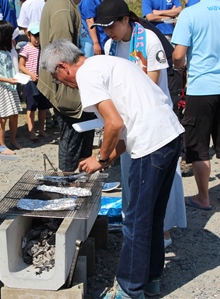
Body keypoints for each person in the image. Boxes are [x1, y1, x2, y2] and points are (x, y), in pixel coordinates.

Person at [42, 39, 184, 298]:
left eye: (59, 79)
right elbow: (124, 127)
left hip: (151, 145)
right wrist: (104, 159)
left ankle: (129, 290)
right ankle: (151, 280)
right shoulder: (107, 62)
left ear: (63, 67)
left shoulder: (86, 74)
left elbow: (114, 124)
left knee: (136, 221)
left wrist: (100, 157)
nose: (64, 84)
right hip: (170, 136)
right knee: (152, 217)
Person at [92, 0, 185, 248]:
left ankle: (163, 231)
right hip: (127, 123)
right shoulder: (111, 46)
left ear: (126, 20)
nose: (108, 32)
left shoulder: (149, 41)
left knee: (159, 182)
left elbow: (150, 86)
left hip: (153, 122)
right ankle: (134, 228)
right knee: (133, 179)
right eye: (103, 28)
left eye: (111, 26)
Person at [171, 0, 220, 209]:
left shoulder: (191, 13)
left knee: (199, 145)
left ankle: (203, 197)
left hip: (200, 87)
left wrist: (179, 67)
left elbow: (178, 54)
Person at [37, 0, 95, 172]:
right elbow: (62, 56)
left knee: (84, 131)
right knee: (73, 134)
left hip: (74, 80)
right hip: (68, 83)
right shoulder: (62, 6)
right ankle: (69, 183)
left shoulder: (65, 4)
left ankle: (83, 178)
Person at [0, 20, 23, 153]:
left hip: (10, 85)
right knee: (2, 117)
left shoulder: (7, 49)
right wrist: (7, 80)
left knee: (14, 115)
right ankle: (2, 145)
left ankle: (12, 140)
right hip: (0, 87)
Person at [19, 22, 52, 140]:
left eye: (39, 36)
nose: (37, 39)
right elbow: (21, 65)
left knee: (43, 107)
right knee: (31, 107)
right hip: (30, 82)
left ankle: (42, 130)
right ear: (29, 35)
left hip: (42, 81)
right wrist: (30, 74)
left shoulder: (43, 48)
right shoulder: (26, 49)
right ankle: (31, 131)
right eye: (35, 36)